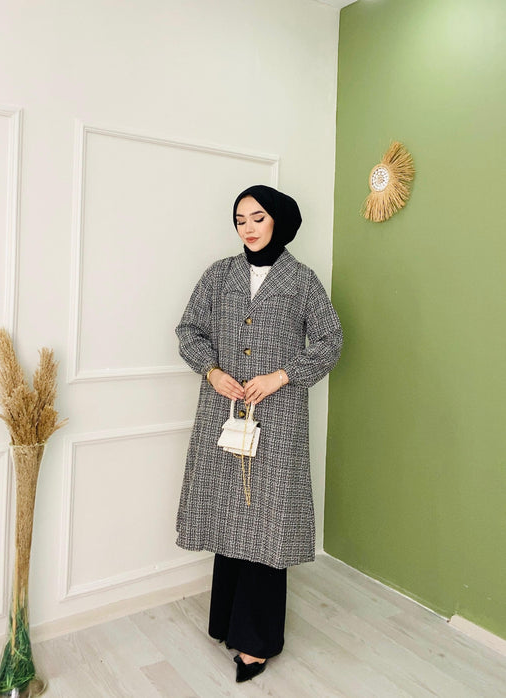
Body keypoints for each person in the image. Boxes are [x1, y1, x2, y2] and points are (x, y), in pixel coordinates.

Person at [175, 184, 342, 683]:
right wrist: (211, 371)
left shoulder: (301, 280)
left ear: (280, 221)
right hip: (223, 411)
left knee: (268, 521)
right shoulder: (219, 275)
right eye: (240, 219)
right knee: (229, 514)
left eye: (258, 218)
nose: (247, 228)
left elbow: (330, 341)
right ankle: (227, 622)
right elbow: (188, 330)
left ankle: (257, 642)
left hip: (279, 417)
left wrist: (281, 376)